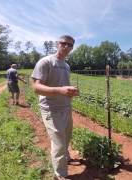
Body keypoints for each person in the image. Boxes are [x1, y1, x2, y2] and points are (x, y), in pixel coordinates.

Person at [31, 35, 79, 180]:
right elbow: (36, 87)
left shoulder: (66, 66)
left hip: (65, 106)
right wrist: (60, 90)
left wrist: (71, 92)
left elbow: (63, 85)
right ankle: (61, 175)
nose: (66, 47)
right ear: (57, 44)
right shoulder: (45, 62)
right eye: (64, 43)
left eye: (70, 45)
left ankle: (66, 156)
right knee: (58, 143)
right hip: (51, 109)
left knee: (67, 136)